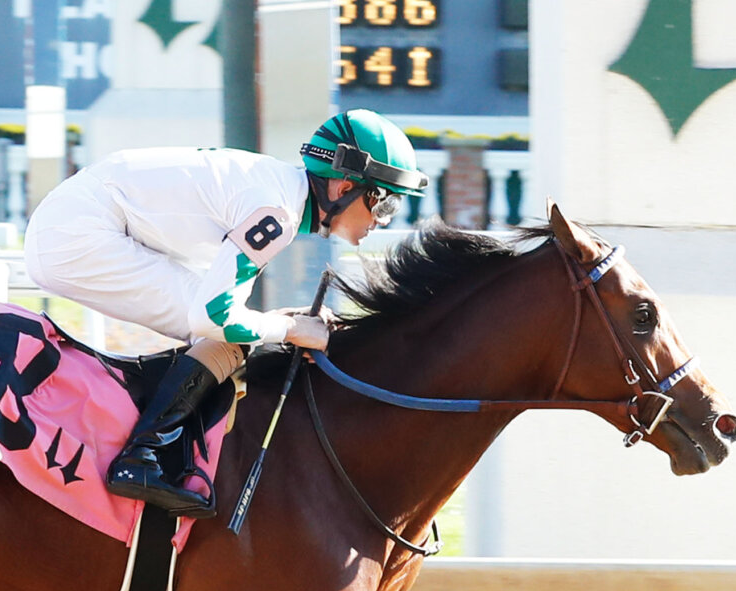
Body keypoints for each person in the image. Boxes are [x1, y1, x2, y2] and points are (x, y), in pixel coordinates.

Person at [22, 110, 430, 517]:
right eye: (383, 200)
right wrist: (289, 329)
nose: (385, 218)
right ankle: (141, 457)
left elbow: (222, 310)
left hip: (85, 221)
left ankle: (153, 448)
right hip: (78, 233)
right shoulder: (277, 213)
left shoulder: (280, 196)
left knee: (235, 332)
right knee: (224, 334)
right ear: (343, 186)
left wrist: (282, 326)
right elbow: (213, 318)